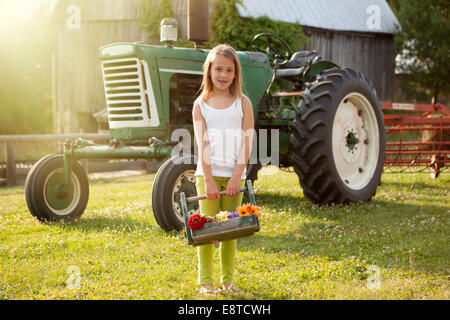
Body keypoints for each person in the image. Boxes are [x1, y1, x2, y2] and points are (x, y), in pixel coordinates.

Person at [192, 44, 254, 295]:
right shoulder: (201, 105)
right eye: (218, 69)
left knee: (230, 232)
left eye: (229, 70)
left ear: (236, 74)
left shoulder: (243, 103)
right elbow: (202, 143)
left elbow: (247, 140)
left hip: (234, 178)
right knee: (206, 231)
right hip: (207, 176)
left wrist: (237, 175)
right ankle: (206, 282)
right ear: (209, 70)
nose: (223, 75)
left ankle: (228, 282)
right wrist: (207, 179)